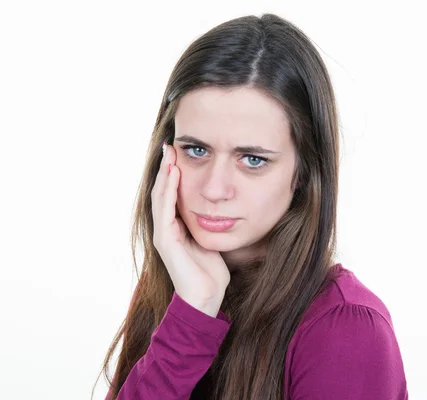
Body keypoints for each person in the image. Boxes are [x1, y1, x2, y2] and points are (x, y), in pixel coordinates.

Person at [94, 13, 408, 400]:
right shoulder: (182, 286)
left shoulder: (345, 328)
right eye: (195, 150)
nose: (214, 189)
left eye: (252, 160)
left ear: (304, 173)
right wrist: (193, 312)